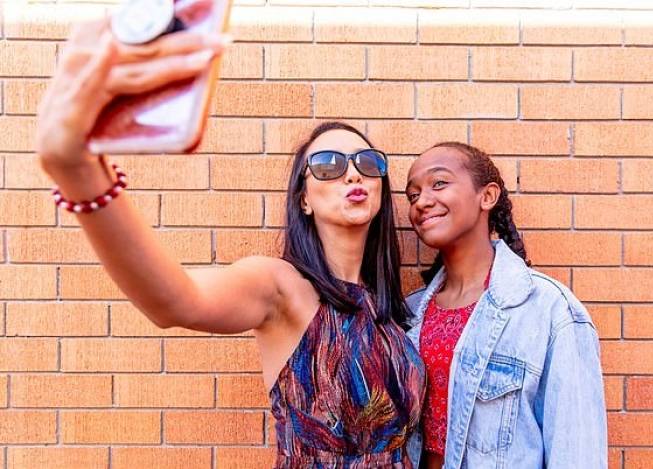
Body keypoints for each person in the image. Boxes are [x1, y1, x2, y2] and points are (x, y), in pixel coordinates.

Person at [37, 20, 425, 468]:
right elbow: (174, 301)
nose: (352, 173)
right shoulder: (281, 287)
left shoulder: (388, 312)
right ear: (303, 198)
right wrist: (81, 173)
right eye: (328, 164)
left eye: (367, 162)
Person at [403, 142, 607, 469]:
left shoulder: (550, 311)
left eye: (438, 183)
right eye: (413, 195)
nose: (422, 202)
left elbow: (576, 454)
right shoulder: (409, 313)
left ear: (487, 196)